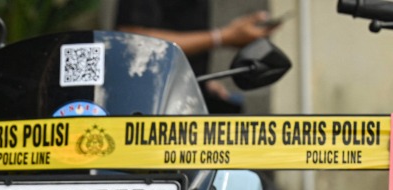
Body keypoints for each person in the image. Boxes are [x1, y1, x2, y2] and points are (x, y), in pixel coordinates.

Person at [114, 1, 280, 112]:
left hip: (188, 97)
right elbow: (135, 40)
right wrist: (222, 37)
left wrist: (200, 79)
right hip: (149, 105)